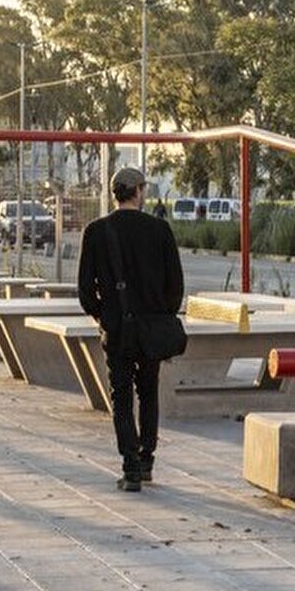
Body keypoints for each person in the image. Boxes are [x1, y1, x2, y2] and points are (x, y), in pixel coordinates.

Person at [78, 166, 185, 492]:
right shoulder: (160, 230)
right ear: (138, 191)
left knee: (121, 395)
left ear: (115, 194)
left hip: (118, 329)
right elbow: (175, 286)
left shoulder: (96, 232)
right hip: (151, 327)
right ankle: (147, 458)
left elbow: (85, 292)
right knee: (149, 390)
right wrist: (162, 315)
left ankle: (131, 466)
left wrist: (104, 316)